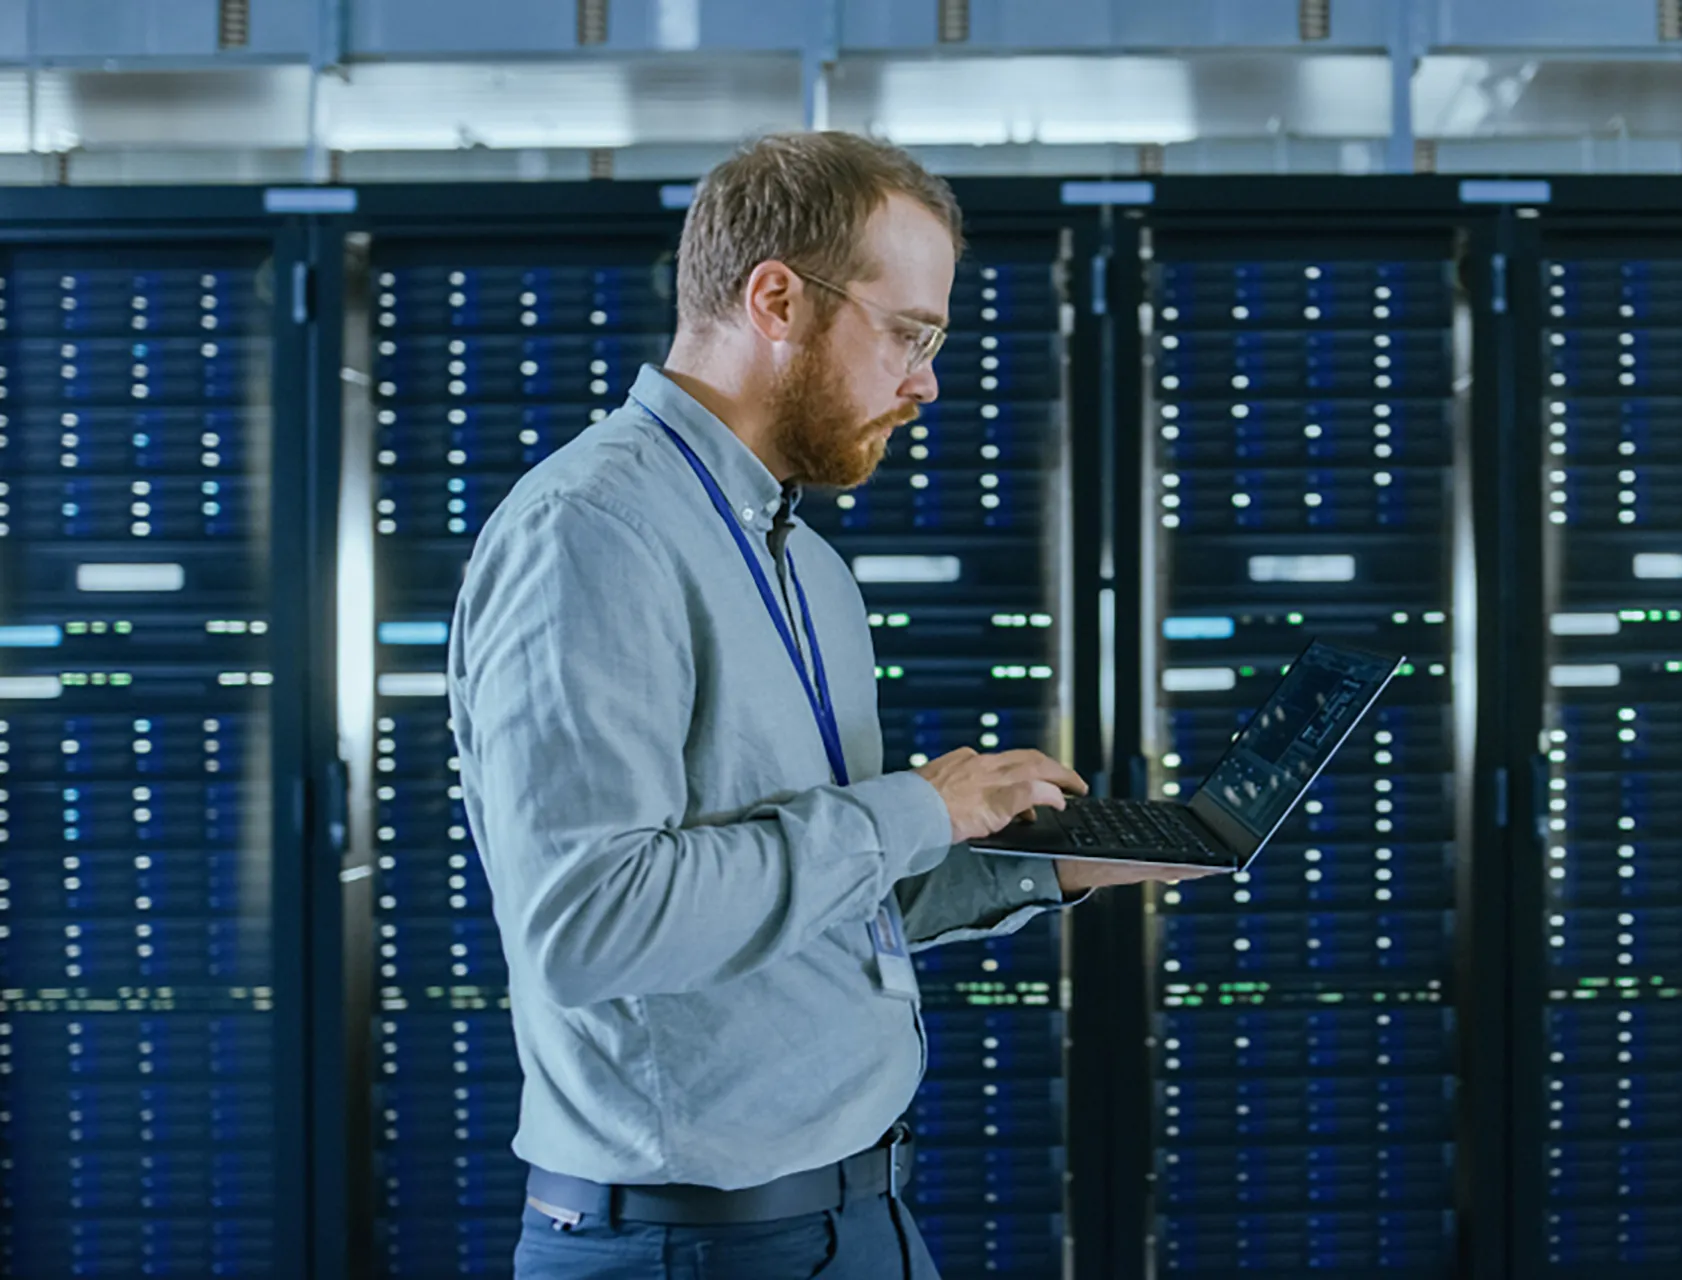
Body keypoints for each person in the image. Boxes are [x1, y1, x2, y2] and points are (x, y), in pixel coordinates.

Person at [448, 131, 1205, 1280]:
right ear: (776, 299)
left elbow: (817, 895)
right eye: (910, 333)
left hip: (855, 1212)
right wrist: (917, 805)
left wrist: (1045, 865)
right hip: (694, 1240)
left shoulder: (803, 562)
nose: (927, 381)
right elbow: (591, 923)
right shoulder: (593, 535)